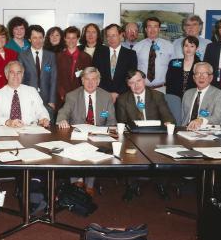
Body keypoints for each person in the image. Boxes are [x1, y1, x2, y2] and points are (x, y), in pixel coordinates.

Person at [116, 69, 176, 201]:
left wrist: (167, 123)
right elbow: (121, 123)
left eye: (138, 81)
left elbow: (169, 119)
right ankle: (131, 186)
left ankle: (161, 185)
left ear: (144, 81)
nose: (136, 85)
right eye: (132, 83)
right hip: (133, 138)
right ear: (128, 85)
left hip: (156, 136)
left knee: (165, 148)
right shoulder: (122, 99)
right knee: (126, 149)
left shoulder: (157, 96)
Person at [56, 66, 116, 196]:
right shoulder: (72, 96)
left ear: (98, 81)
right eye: (87, 79)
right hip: (78, 135)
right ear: (82, 80)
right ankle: (76, 180)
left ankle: (89, 184)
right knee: (73, 147)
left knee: (96, 148)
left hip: (98, 135)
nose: (90, 83)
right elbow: (63, 112)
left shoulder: (106, 96)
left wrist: (107, 132)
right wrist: (62, 120)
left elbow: (111, 120)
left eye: (94, 79)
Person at [0, 61, 50, 127]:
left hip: (30, 131)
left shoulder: (32, 91)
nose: (16, 75)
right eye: (12, 72)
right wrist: (8, 122)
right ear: (6, 75)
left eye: (19, 72)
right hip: (7, 130)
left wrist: (44, 119)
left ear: (22, 75)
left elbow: (41, 110)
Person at [18, 25, 57, 120]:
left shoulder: (51, 55)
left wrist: (52, 100)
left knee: (47, 126)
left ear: (44, 38)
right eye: (34, 38)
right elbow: (20, 79)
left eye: (40, 37)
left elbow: (53, 79)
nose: (38, 40)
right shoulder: (22, 55)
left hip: (47, 99)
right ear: (29, 39)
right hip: (28, 98)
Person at [93, 24, 137, 103]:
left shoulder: (131, 54)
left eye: (114, 35)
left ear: (121, 35)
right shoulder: (99, 53)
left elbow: (131, 77)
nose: (111, 39)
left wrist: (117, 93)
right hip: (103, 96)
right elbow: (95, 75)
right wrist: (107, 93)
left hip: (124, 97)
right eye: (108, 36)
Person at [181, 62, 221, 130]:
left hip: (206, 132)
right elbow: (183, 117)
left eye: (205, 74)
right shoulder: (187, 94)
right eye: (198, 73)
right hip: (185, 129)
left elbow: (218, 118)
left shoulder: (219, 95)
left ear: (211, 77)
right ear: (194, 77)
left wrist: (201, 120)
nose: (201, 77)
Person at [133, 17, 175, 90]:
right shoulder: (137, 47)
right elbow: (133, 69)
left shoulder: (169, 46)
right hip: (142, 88)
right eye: (149, 26)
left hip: (162, 88)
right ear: (145, 29)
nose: (152, 30)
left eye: (155, 26)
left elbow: (174, 67)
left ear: (159, 29)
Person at [56, 26, 92, 108]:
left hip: (80, 97)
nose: (71, 41)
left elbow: (88, 78)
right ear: (64, 38)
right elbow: (55, 77)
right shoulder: (58, 57)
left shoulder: (86, 57)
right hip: (61, 97)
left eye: (73, 38)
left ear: (78, 38)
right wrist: (61, 93)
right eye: (68, 38)